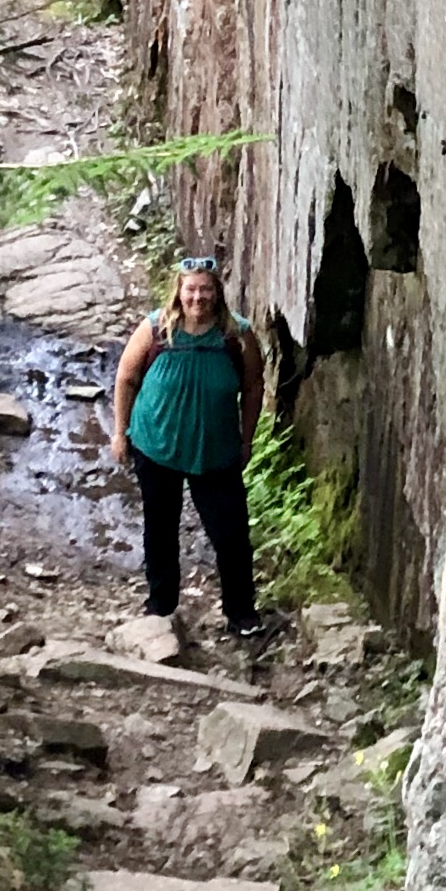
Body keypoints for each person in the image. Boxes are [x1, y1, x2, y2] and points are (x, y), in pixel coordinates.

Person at [111, 252, 266, 638]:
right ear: (178, 293)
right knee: (160, 528)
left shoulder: (237, 335)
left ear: (217, 294)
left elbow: (253, 387)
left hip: (215, 451)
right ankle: (160, 605)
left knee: (230, 535)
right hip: (156, 444)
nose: (198, 298)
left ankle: (241, 613)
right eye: (191, 290)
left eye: (206, 290)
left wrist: (247, 440)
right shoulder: (155, 329)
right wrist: (120, 432)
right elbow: (126, 378)